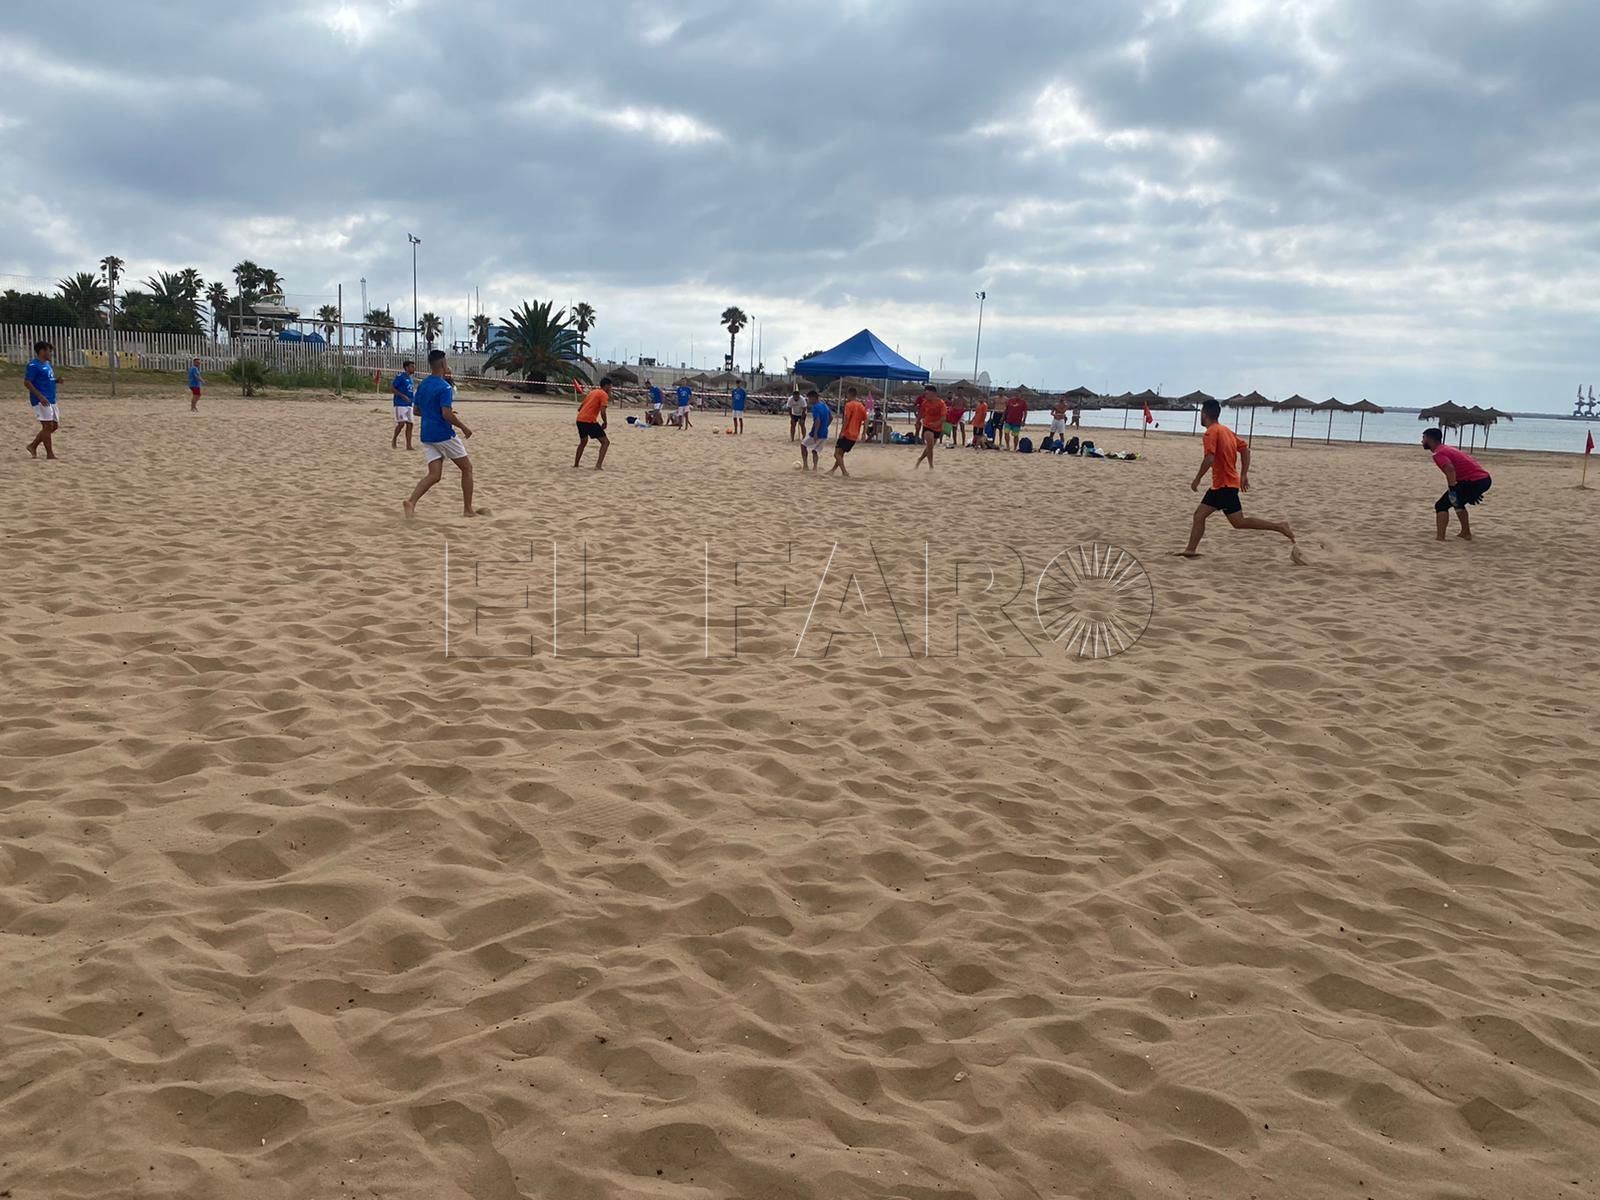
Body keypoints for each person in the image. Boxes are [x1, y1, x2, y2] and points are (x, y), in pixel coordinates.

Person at [1177, 399, 1293, 557]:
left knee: (1199, 515)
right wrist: (1243, 474)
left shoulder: (1211, 432)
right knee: (1239, 522)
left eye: (1201, 413)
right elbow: (1246, 450)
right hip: (1230, 484)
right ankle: (1280, 526)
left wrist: (1197, 479)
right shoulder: (1227, 431)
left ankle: (1190, 549)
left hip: (1223, 485)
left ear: (1204, 414)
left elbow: (1209, 458)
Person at [403, 349, 478, 518]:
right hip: (443, 434)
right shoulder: (444, 387)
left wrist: (434, 413)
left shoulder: (423, 384)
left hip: (427, 435)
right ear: (443, 364)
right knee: (467, 468)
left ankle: (411, 502)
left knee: (434, 475)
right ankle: (468, 509)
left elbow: (416, 411)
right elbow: (446, 414)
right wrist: (463, 427)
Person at [1422, 427, 1491, 540]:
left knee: (1441, 505)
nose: (1422, 441)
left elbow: (1450, 469)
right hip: (1482, 480)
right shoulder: (1446, 449)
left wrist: (1453, 488)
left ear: (1430, 439)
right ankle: (1465, 532)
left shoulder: (1439, 453)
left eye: (1423, 438)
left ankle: (1440, 538)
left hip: (1475, 481)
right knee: (1457, 502)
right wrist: (1468, 493)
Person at [24, 340, 59, 460]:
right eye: (49, 351)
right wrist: (40, 396)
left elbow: (47, 380)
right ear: (42, 351)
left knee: (54, 426)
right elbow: (27, 382)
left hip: (51, 398)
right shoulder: (34, 365)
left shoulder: (47, 364)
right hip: (40, 400)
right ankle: (50, 454)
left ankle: (33, 446)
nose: (51, 354)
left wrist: (56, 381)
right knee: (47, 426)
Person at [574, 376, 611, 470]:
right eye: (610, 387)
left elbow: (580, 408)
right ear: (606, 386)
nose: (611, 389)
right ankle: (598, 466)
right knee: (605, 442)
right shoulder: (603, 394)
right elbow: (603, 411)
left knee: (583, 442)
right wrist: (605, 422)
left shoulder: (592, 392)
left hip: (580, 419)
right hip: (589, 420)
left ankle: (576, 464)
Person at [830, 387, 868, 477]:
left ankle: (844, 472)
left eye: (847, 395)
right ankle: (832, 470)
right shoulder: (861, 406)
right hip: (855, 435)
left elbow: (846, 419)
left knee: (836, 454)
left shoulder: (849, 405)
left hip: (847, 433)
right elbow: (866, 420)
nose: (846, 397)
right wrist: (864, 433)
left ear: (850, 394)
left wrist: (842, 431)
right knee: (840, 454)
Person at [915, 386, 946, 470]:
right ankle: (931, 466)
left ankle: (919, 460)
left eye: (927, 393)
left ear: (934, 394)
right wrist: (917, 422)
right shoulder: (925, 403)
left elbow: (943, 418)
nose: (926, 395)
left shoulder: (941, 403)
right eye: (925, 393)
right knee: (930, 443)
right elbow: (921, 414)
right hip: (927, 426)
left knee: (930, 447)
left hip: (937, 428)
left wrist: (936, 424)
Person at [800, 390, 831, 471]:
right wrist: (826, 426)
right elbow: (831, 418)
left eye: (809, 398)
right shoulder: (825, 406)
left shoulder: (816, 407)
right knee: (815, 451)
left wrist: (816, 433)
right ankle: (815, 468)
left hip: (816, 433)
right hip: (825, 433)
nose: (808, 400)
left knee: (803, 445)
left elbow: (817, 421)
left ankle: (805, 466)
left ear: (813, 398)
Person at [391, 360, 418, 449]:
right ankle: (394, 438)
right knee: (401, 423)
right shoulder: (400, 377)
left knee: (410, 424)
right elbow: (392, 388)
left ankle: (408, 445)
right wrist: (402, 396)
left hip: (409, 404)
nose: (414, 368)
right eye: (412, 367)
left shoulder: (410, 378)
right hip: (400, 403)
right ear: (406, 367)